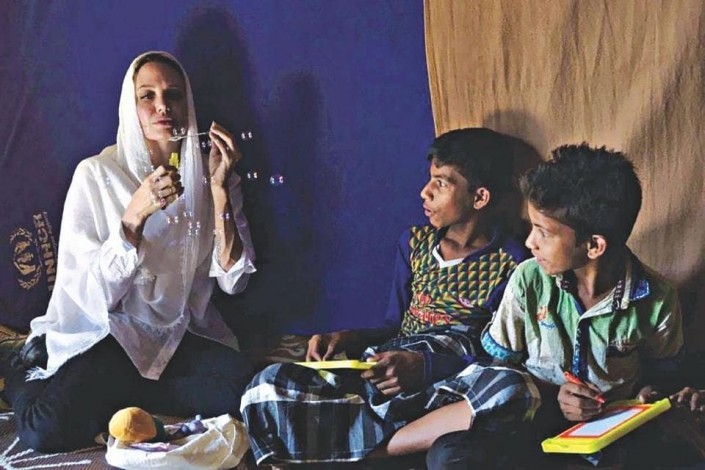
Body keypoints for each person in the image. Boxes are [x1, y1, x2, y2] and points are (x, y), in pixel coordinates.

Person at [1, 51, 256, 452]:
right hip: (111, 335)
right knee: (43, 430)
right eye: (147, 96)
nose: (162, 106)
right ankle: (18, 369)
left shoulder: (213, 175)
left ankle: (120, 398)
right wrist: (134, 217)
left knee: (244, 392)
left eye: (173, 95)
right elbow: (88, 298)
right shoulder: (96, 175)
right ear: (130, 105)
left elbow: (233, 282)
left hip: (178, 337)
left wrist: (220, 191)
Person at [240, 128, 539, 466]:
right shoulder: (414, 243)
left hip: (450, 381)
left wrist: (425, 367)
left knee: (512, 387)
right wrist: (344, 338)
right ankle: (386, 439)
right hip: (390, 373)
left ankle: (374, 451)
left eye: (441, 183)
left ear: (479, 197)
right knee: (264, 387)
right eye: (429, 180)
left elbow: (496, 350)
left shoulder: (512, 262)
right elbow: (393, 326)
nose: (424, 192)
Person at [427, 143, 686, 468]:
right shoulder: (529, 279)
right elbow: (498, 369)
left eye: (543, 232)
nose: (529, 242)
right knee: (449, 454)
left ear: (594, 245)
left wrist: (650, 398)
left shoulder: (656, 298)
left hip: (609, 432)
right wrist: (554, 394)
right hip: (534, 420)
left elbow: (664, 374)